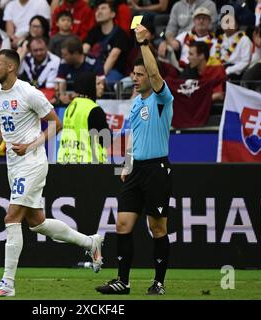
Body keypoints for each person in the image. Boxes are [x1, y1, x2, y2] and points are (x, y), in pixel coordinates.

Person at [0, 49, 104, 297]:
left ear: (11, 68)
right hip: (13, 164)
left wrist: (30, 145)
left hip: (33, 161)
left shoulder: (28, 92)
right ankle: (90, 242)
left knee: (11, 218)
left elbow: (56, 124)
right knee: (37, 223)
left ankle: (7, 283)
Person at [95, 23, 173, 295]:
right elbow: (134, 137)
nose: (136, 78)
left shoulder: (162, 99)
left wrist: (143, 43)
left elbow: (154, 71)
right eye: (134, 74)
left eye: (140, 74)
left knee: (157, 227)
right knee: (122, 224)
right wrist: (126, 164)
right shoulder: (137, 103)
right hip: (135, 170)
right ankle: (122, 281)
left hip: (157, 169)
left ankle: (159, 282)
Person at [57, 71, 110, 164]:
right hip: (89, 163)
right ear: (89, 86)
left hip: (66, 160)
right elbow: (106, 140)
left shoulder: (70, 107)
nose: (102, 86)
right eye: (98, 84)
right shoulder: (94, 109)